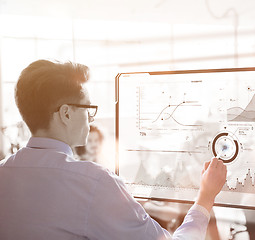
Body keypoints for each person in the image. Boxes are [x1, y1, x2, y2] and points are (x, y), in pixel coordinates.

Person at [0, 59, 227, 239]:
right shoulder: (93, 182)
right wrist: (205, 197)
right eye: (88, 109)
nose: (91, 118)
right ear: (66, 113)